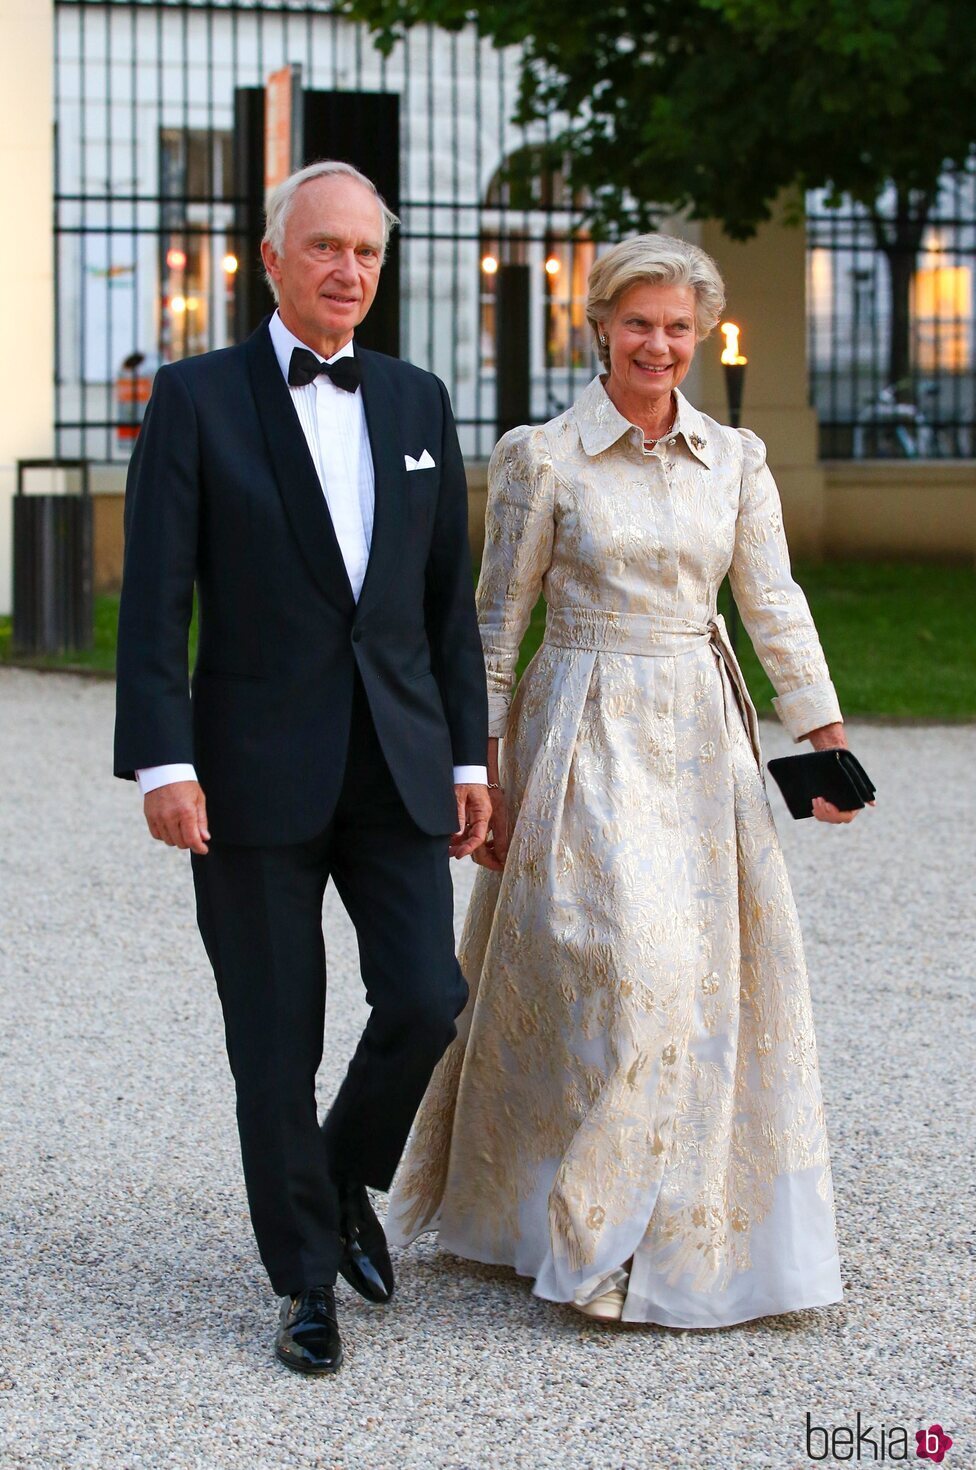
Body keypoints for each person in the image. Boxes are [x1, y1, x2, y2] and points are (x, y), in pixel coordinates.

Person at [388, 234, 866, 1328]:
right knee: (622, 972)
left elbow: (772, 603)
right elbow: (495, 628)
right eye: (639, 323)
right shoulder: (540, 456)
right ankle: (586, 1230)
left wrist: (823, 739)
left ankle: (659, 1233)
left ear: (700, 337)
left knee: (697, 988)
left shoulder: (735, 458)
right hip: (583, 728)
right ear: (598, 326)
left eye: (678, 328)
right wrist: (484, 771)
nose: (658, 345)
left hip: (700, 738)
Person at [114, 160, 491, 1374]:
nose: (346, 270)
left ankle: (335, 1178)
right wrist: (162, 762)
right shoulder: (195, 398)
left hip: (396, 765)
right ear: (269, 259)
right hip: (245, 778)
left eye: (366, 254)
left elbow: (444, 613)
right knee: (274, 1039)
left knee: (429, 995)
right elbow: (155, 599)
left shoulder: (419, 402)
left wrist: (469, 759)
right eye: (323, 247)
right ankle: (301, 1284)